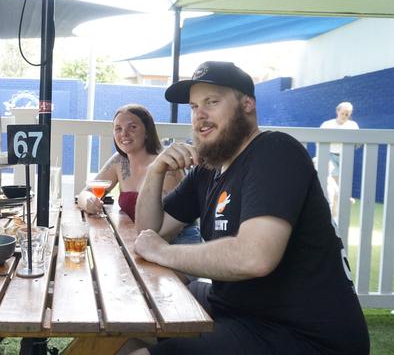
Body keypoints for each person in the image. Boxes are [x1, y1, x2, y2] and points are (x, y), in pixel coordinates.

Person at [131, 61, 369, 354]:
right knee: (144, 312)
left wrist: (162, 252)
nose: (200, 116)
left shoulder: (275, 152)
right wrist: (155, 170)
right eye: (194, 107)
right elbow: (149, 231)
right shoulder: (207, 170)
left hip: (303, 335)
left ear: (247, 104)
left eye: (212, 102)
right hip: (239, 309)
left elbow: (254, 257)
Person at [76, 104, 201, 244]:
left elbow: (166, 230)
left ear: (147, 132)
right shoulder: (120, 161)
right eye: (118, 129)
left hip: (177, 243)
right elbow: (84, 193)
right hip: (141, 240)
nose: (124, 133)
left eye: (132, 127)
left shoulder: (167, 165)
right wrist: (88, 201)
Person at [320, 101, 359, 219]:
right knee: (333, 182)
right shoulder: (327, 124)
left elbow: (358, 141)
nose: (345, 116)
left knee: (344, 181)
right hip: (330, 155)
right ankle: (333, 212)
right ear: (337, 111)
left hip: (345, 155)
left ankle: (343, 200)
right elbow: (319, 139)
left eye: (348, 114)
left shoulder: (353, 125)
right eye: (343, 113)